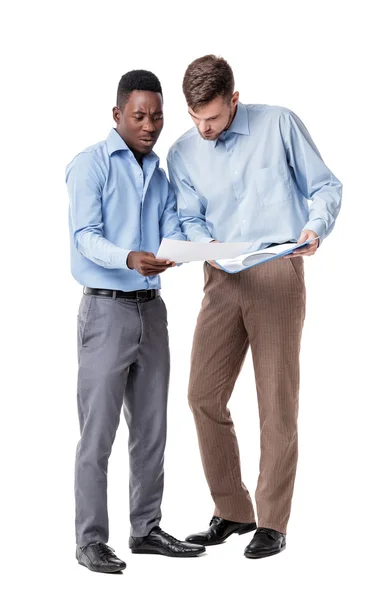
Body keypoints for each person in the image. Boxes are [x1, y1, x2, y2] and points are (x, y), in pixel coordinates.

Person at [167, 55, 342, 559]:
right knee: (202, 395)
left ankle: (272, 520)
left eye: (214, 118)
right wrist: (206, 244)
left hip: (275, 272)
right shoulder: (184, 152)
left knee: (275, 402)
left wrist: (315, 228)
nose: (204, 128)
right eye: (196, 118)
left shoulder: (279, 124)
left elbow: (326, 185)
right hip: (220, 275)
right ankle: (233, 510)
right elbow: (188, 215)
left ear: (234, 100)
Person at [66, 69, 205, 573]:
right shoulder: (91, 165)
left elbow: (170, 227)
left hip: (152, 310)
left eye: (158, 115)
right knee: (97, 432)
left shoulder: (160, 173)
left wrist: (186, 247)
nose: (150, 125)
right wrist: (128, 257)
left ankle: (145, 529)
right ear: (117, 114)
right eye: (140, 115)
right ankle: (89, 540)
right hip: (105, 309)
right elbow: (83, 235)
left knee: (151, 429)